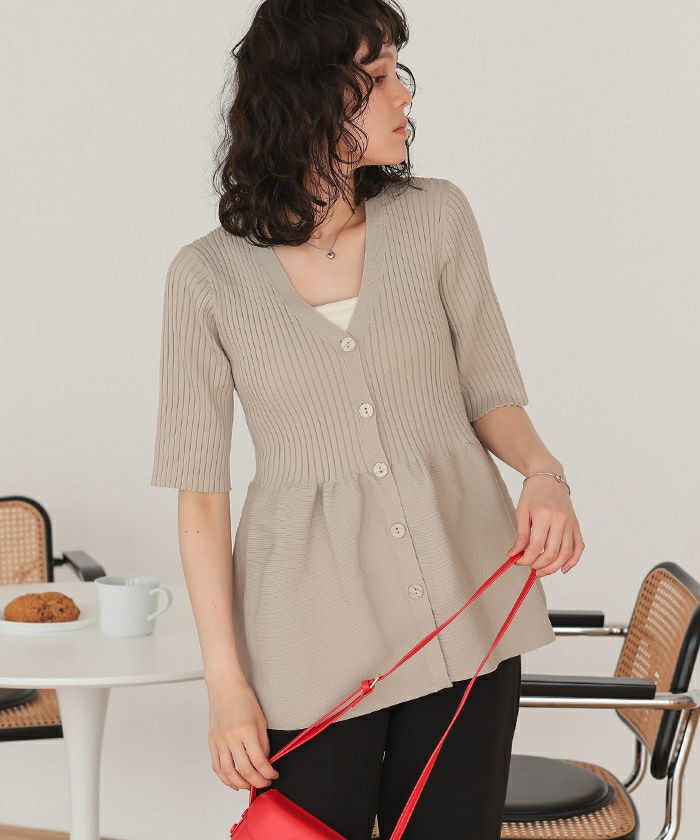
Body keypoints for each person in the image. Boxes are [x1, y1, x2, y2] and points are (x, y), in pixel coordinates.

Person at [150, 1, 585, 837]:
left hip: (465, 608)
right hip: (307, 641)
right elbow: (200, 498)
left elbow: (489, 390)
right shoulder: (205, 279)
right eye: (378, 77)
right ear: (305, 96)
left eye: (397, 73)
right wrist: (226, 683)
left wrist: (543, 473)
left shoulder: (438, 217)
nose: (403, 96)